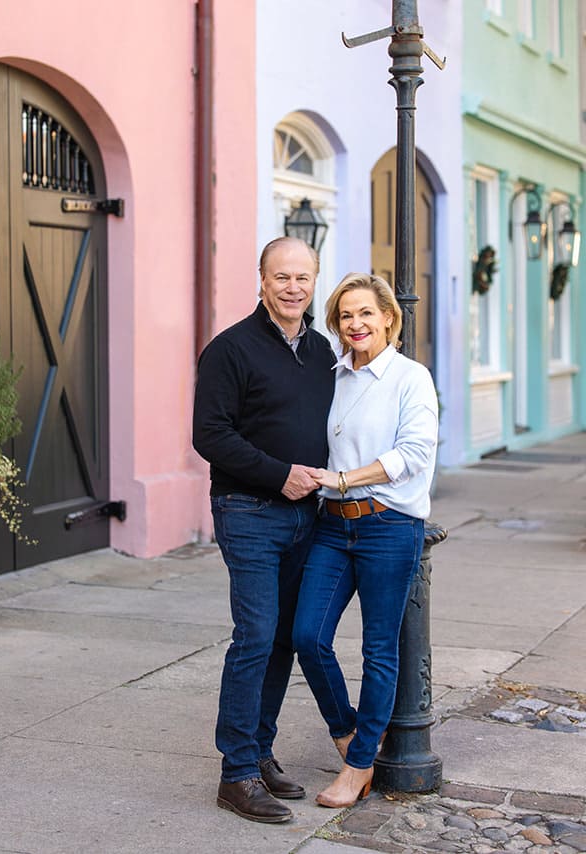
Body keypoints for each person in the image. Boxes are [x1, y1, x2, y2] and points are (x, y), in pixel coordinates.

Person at [192, 236, 336, 824]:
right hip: (248, 511)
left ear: (313, 280)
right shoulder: (229, 350)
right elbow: (211, 436)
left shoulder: (323, 351)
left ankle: (261, 751)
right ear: (261, 279)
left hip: (310, 516)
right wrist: (281, 477)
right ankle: (236, 773)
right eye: (282, 277)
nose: (293, 287)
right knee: (254, 634)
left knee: (283, 638)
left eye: (303, 277)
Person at [292, 273, 437, 808]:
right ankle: (349, 732)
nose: (355, 324)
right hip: (333, 526)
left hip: (389, 527)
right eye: (345, 316)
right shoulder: (333, 378)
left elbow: (415, 454)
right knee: (307, 635)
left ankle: (358, 768)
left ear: (388, 319)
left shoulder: (410, 378)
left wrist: (346, 478)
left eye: (365, 314)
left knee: (379, 650)